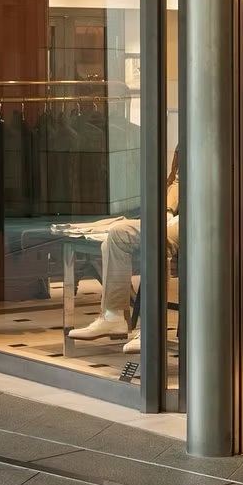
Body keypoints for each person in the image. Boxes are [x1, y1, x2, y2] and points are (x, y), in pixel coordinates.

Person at [69, 150, 180, 354]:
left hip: (207, 216)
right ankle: (113, 315)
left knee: (153, 240)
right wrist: (166, 210)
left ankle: (151, 329)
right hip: (175, 215)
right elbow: (178, 181)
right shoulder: (188, 140)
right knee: (116, 235)